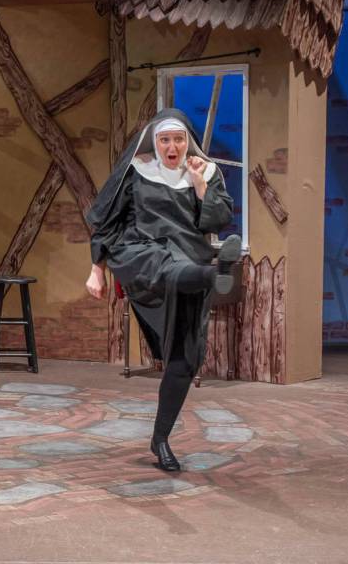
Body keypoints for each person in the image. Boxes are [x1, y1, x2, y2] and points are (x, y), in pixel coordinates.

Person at [84, 108, 241, 472]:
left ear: (188, 142)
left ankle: (161, 440)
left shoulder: (206, 172)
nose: (173, 146)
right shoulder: (137, 172)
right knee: (169, 266)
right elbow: (108, 221)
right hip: (144, 256)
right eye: (165, 139)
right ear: (154, 143)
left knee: (185, 361)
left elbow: (219, 220)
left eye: (179, 139)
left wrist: (199, 185)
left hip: (189, 260)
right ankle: (213, 275)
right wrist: (96, 270)